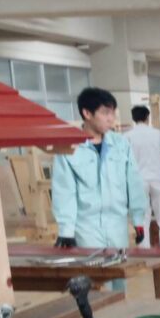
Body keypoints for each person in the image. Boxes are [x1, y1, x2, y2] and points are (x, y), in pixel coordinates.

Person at [51, 87, 146, 253]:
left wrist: (138, 219)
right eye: (105, 113)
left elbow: (134, 182)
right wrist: (66, 231)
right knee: (94, 268)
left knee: (119, 269)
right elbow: (64, 192)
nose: (111, 119)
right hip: (86, 228)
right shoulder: (69, 148)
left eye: (113, 113)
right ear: (87, 113)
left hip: (118, 226)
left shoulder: (121, 144)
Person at [124, 105, 160, 248]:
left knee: (142, 216)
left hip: (137, 181)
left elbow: (122, 160)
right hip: (158, 179)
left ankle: (144, 249)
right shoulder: (158, 134)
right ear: (147, 118)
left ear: (133, 119)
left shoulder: (127, 136)